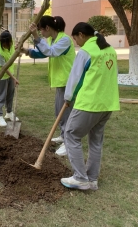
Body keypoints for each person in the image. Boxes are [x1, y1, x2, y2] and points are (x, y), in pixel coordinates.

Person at [60, 22, 119, 191]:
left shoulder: (86, 52)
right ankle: (92, 179)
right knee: (95, 140)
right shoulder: (110, 50)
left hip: (90, 103)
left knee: (71, 134)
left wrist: (68, 97)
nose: (76, 43)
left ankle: (80, 178)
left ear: (81, 35)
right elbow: (113, 75)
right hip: (108, 103)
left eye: (76, 39)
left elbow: (75, 77)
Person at [21, 16, 75, 156]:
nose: (42, 34)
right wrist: (26, 51)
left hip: (67, 82)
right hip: (60, 82)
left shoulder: (64, 40)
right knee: (59, 112)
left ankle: (68, 142)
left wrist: (35, 36)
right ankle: (64, 135)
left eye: (41, 31)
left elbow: (51, 52)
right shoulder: (53, 40)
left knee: (66, 114)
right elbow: (44, 53)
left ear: (47, 28)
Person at [0, 30, 20, 127]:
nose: (6, 46)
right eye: (4, 44)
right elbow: (3, 67)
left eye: (8, 44)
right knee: (1, 96)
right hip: (1, 75)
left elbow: (12, 52)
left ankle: (9, 112)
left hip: (10, 74)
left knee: (10, 94)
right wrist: (14, 78)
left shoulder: (11, 43)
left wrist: (17, 50)